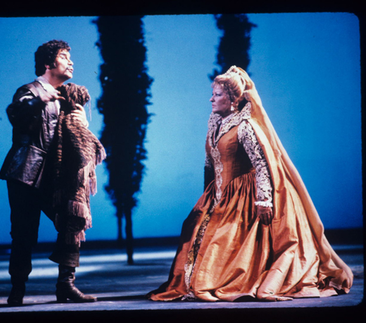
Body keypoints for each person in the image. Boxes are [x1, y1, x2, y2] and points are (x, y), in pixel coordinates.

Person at [148, 66, 353, 302]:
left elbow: (262, 164)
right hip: (220, 194)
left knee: (224, 239)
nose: (211, 99)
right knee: (191, 227)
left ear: (234, 99)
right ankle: (194, 282)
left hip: (244, 196)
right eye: (213, 94)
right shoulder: (215, 123)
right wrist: (209, 192)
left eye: (217, 95)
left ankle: (224, 281)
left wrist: (264, 200)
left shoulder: (246, 126)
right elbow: (210, 162)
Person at [0, 40, 105, 305]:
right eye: (65, 57)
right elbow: (15, 113)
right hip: (25, 172)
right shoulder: (30, 90)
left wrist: (79, 122)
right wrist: (37, 101)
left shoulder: (69, 96)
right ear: (48, 63)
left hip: (57, 175)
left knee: (73, 220)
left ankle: (65, 285)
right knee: (23, 232)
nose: (71, 62)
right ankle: (18, 290)